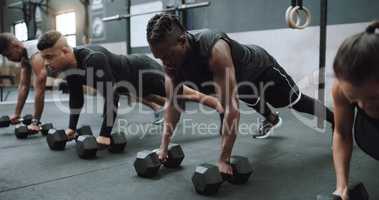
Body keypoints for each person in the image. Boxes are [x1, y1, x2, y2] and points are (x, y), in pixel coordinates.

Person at [146, 14, 334, 175]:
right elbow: (172, 106)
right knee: (245, 95)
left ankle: (335, 119)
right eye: (159, 57)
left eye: (167, 55)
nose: (165, 62)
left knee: (294, 102)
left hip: (263, 69)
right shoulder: (171, 64)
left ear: (182, 41)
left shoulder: (214, 50)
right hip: (240, 79)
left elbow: (231, 111)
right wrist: (163, 146)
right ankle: (271, 119)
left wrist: (223, 159)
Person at [36, 30, 223, 147]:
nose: (46, 63)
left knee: (185, 94)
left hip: (142, 71)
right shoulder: (69, 68)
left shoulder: (92, 59)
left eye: (49, 57)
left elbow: (111, 97)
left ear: (65, 51)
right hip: (129, 85)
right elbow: (76, 98)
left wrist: (104, 135)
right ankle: (164, 110)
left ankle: (220, 106)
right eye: (44, 58)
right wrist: (71, 128)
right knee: (164, 100)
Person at [331, 21, 379, 200]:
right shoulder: (341, 88)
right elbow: (342, 133)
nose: (363, 107)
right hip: (369, 138)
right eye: (354, 99)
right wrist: (341, 186)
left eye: (373, 98)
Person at [0, 33, 46, 133]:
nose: (9, 59)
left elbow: (40, 87)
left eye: (9, 55)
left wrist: (35, 122)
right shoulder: (25, 57)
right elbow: (24, 86)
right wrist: (17, 114)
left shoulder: (35, 54)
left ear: (16, 46)